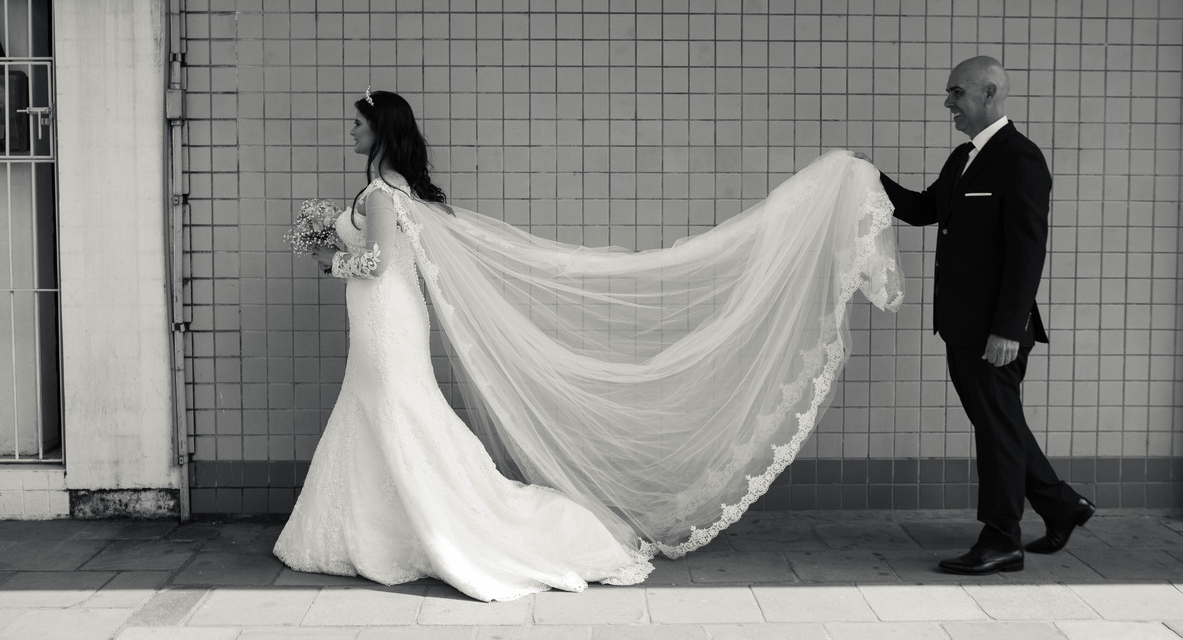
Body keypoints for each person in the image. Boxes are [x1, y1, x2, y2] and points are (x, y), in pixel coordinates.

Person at [273, 88, 905, 601]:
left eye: (357, 124)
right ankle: (379, 528)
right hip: (385, 321)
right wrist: (328, 240)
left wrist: (325, 257)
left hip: (386, 321)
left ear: (381, 129)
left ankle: (427, 527)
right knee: (386, 414)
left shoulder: (383, 194)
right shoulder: (396, 191)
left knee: (397, 413)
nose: (349, 132)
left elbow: (378, 263)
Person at [874, 56, 1094, 575]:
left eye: (956, 93)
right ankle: (1061, 505)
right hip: (960, 324)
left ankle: (1002, 539)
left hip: (994, 330)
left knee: (996, 430)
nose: (948, 103)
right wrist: (870, 176)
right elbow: (924, 209)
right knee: (1001, 424)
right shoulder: (963, 158)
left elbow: (1027, 252)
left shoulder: (1021, 159)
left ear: (989, 92)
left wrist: (1007, 329)